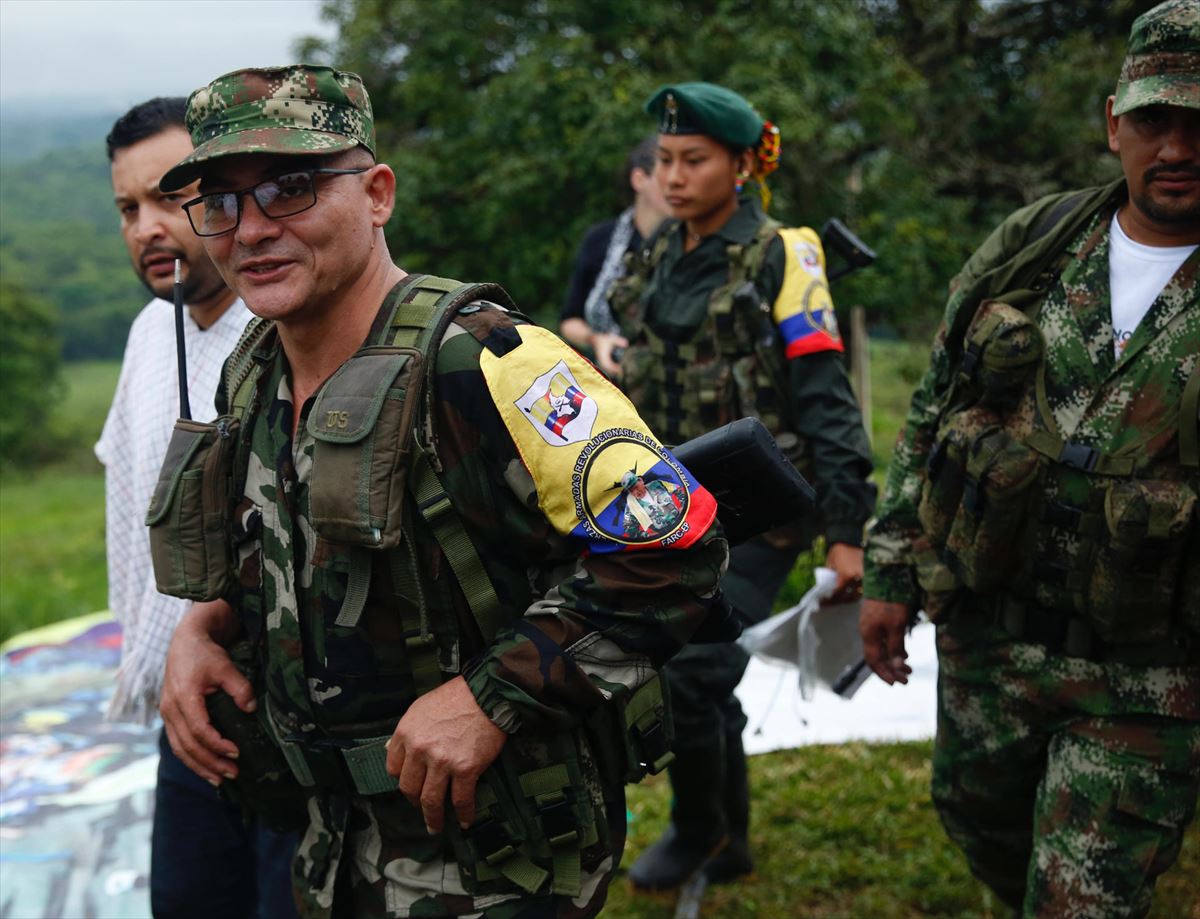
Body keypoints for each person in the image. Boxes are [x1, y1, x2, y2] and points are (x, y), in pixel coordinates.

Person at [154, 64, 728, 919]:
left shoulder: (486, 362)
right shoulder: (256, 372)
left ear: (377, 193)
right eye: (223, 203)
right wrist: (205, 626)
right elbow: (288, 550)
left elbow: (677, 546)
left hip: (491, 865)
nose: (252, 229)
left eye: (291, 188)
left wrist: (490, 696)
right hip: (331, 849)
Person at [860, 2, 1200, 914]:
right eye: (1155, 120)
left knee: (1079, 899)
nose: (1177, 147)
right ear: (1112, 122)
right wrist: (890, 564)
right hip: (991, 637)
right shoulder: (1037, 246)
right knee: (980, 827)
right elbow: (937, 400)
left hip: (1151, 675)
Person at [610, 82, 876, 891]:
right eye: (665, 161)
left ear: (741, 164)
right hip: (672, 499)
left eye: (694, 160)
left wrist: (846, 532)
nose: (674, 177)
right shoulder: (657, 252)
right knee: (698, 667)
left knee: (693, 670)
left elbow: (827, 397)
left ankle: (699, 828)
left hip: (761, 509)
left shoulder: (782, 256)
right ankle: (732, 838)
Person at [98, 97, 297, 918]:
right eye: (126, 208)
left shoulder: (289, 328)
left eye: (167, 199)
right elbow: (127, 496)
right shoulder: (150, 331)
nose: (147, 227)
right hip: (182, 711)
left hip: (285, 714)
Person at [559, 136, 669, 377]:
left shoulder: (695, 241)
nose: (678, 182)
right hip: (605, 387)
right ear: (639, 179)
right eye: (667, 173)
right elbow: (570, 320)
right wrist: (596, 340)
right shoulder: (601, 239)